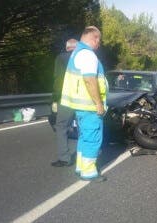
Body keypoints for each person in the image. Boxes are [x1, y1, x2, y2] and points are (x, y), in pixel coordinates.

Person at [61, 26, 108, 182]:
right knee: (92, 138)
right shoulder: (88, 55)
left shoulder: (77, 52)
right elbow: (89, 80)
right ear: (94, 38)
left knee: (84, 137)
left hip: (81, 106)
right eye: (98, 40)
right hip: (89, 106)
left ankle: (81, 167)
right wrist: (99, 104)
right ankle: (89, 172)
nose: (99, 44)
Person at [51, 39, 78, 167]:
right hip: (82, 99)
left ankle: (65, 158)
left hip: (66, 98)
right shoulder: (83, 58)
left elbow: (58, 79)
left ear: (67, 47)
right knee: (84, 128)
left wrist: (55, 97)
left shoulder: (61, 58)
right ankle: (85, 156)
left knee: (61, 127)